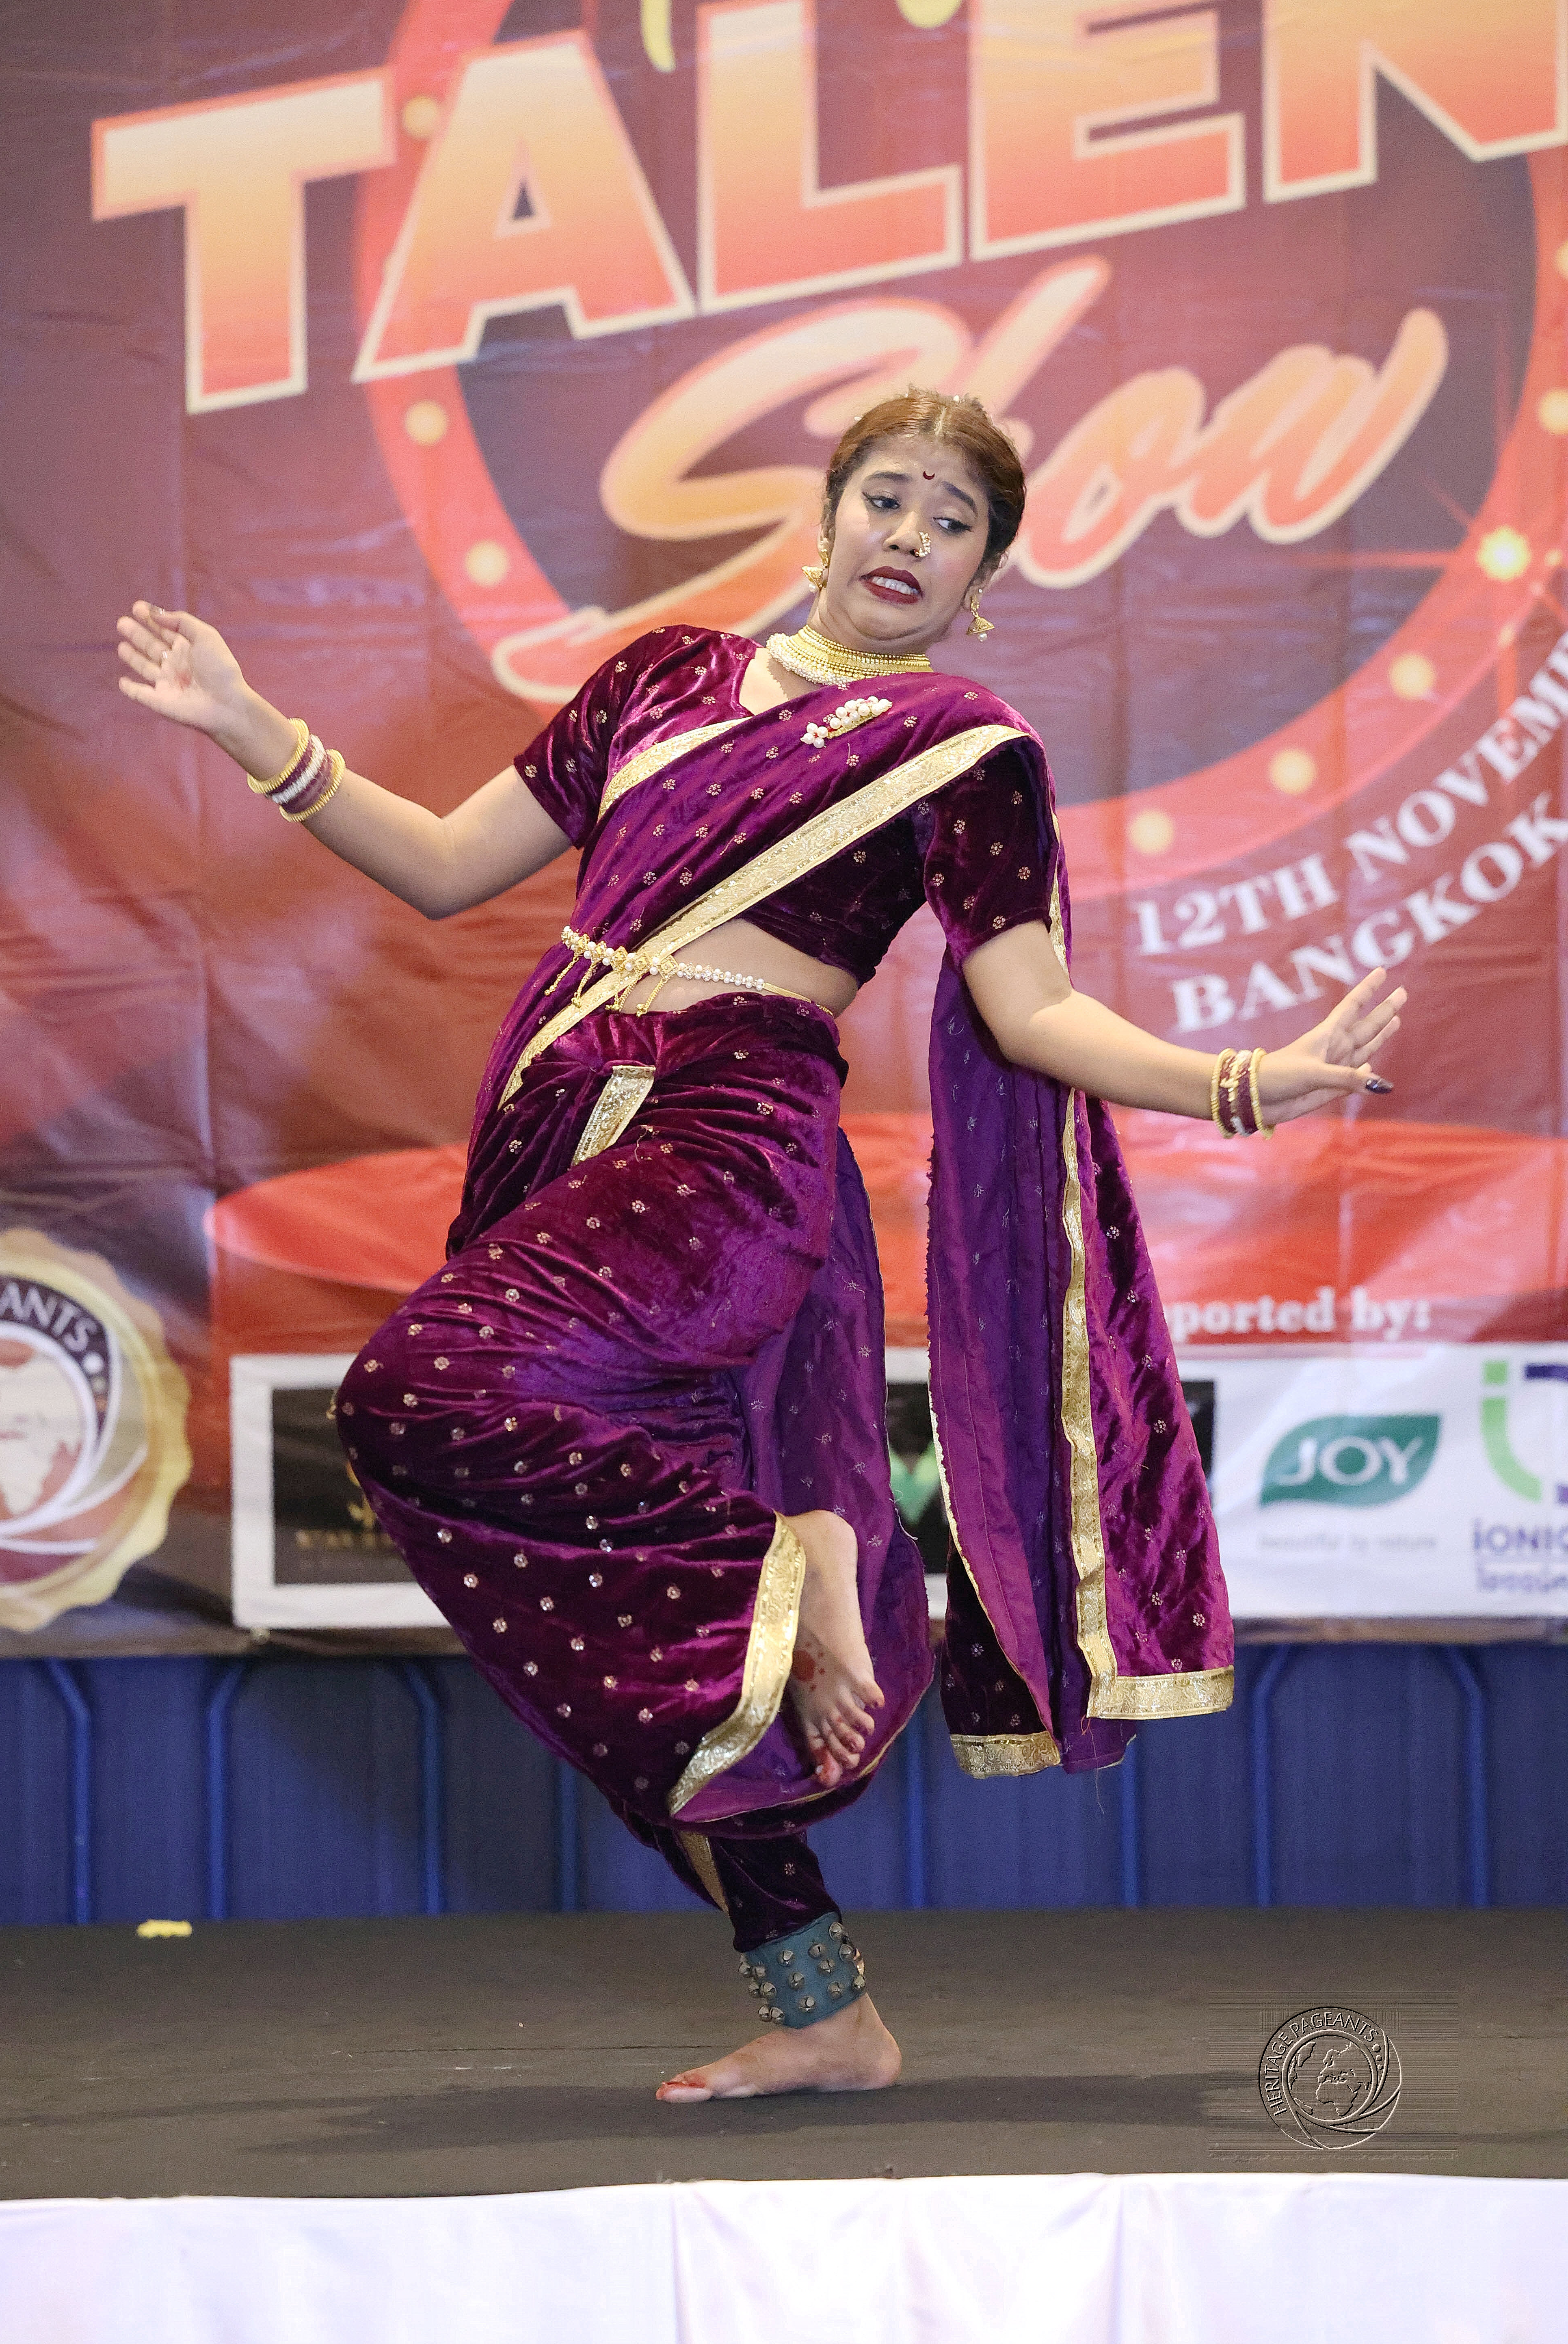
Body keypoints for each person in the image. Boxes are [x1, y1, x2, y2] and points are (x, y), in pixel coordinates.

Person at [117, 388, 1404, 2103]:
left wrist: (1237, 1083)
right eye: (889, 497)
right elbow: (439, 866)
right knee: (607, 1610)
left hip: (728, 1137)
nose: (909, 535)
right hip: (554, 1118)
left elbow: (1030, 1013)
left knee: (413, 1392)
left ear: (984, 580)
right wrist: (249, 728)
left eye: (953, 522)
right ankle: (824, 2008)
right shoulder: (658, 679)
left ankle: (788, 1555)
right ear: (828, 514)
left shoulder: (963, 745)